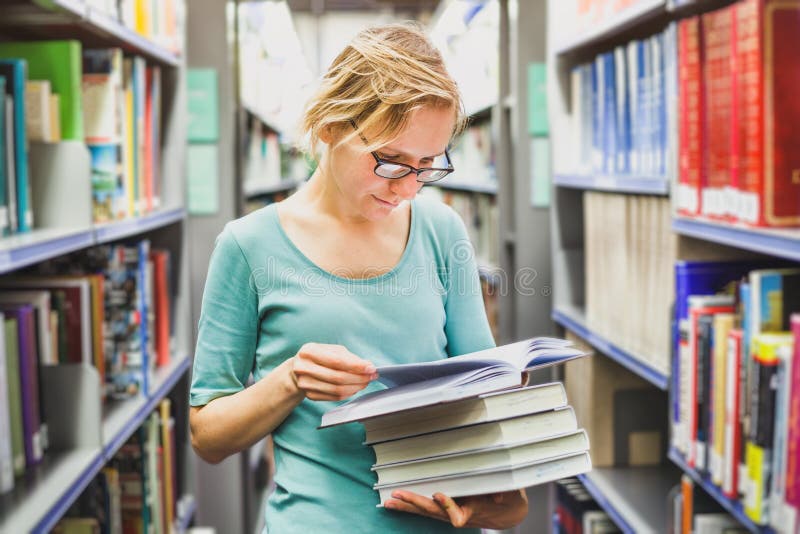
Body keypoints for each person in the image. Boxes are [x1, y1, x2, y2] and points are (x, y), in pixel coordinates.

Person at [188, 22, 528, 532]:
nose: (408, 188)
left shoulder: (441, 230)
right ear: (330, 126)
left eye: (426, 165)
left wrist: (490, 502)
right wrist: (289, 380)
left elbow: (497, 460)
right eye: (391, 161)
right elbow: (207, 438)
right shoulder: (248, 246)